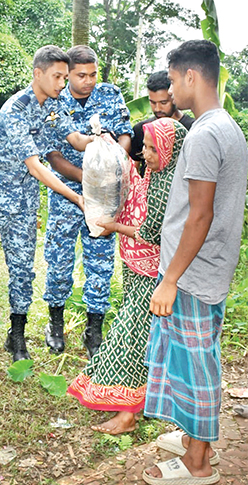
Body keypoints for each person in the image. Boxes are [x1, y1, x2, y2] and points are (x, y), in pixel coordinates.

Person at [0, 45, 91, 362]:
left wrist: (101, 141)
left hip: (23, 202)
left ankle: (16, 336)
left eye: (65, 77)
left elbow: (74, 138)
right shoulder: (14, 110)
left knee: (23, 269)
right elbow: (35, 166)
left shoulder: (55, 104)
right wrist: (77, 197)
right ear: (38, 74)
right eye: (57, 77)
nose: (63, 84)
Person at [142, 40, 248, 485]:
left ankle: (200, 462)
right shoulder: (226, 126)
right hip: (206, 268)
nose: (169, 89)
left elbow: (200, 214)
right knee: (186, 361)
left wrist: (169, 279)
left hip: (194, 274)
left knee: (198, 365)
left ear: (190, 76)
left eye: (171, 78)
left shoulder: (205, 134)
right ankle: (191, 442)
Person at [68, 118, 187, 434]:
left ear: (169, 149)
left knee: (126, 336)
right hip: (138, 269)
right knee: (140, 338)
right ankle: (142, 405)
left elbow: (150, 233)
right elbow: (131, 185)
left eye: (150, 148)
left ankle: (126, 414)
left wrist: (113, 226)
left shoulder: (166, 184)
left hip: (153, 275)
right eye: (143, 147)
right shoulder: (155, 174)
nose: (144, 154)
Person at [44, 45, 133, 359]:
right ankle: (55, 323)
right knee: (59, 260)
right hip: (67, 193)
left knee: (101, 261)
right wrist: (88, 178)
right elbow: (52, 155)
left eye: (93, 74)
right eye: (81, 75)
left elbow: (125, 134)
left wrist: (113, 164)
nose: (89, 80)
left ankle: (94, 329)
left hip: (106, 194)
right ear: (68, 74)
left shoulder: (110, 95)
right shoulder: (55, 100)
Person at [130, 70, 195, 176]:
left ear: (173, 95)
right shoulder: (141, 129)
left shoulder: (192, 128)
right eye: (152, 102)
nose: (157, 108)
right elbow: (134, 170)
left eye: (163, 102)